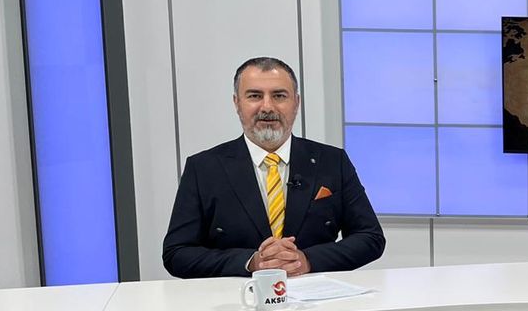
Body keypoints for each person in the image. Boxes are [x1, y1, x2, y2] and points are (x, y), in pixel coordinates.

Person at [163, 56, 385, 279]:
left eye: (279, 96)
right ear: (237, 103)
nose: (267, 107)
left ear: (296, 102)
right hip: (237, 295)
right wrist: (251, 262)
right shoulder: (203, 168)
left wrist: (307, 260)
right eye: (254, 96)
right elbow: (177, 253)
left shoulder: (332, 161)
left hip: (314, 294)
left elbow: (370, 238)